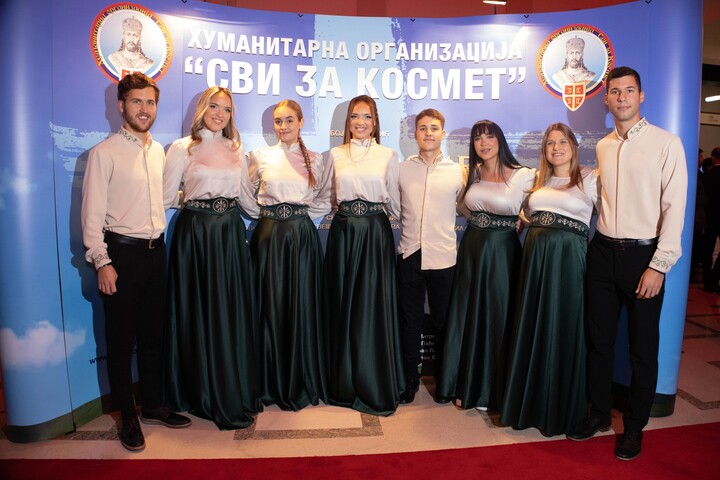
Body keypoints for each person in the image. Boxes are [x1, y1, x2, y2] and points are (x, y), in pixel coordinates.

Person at [567, 66, 688, 461]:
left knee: (642, 348)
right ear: (606, 99)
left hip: (643, 256)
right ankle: (599, 414)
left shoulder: (666, 143)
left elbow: (675, 209)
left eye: (629, 90)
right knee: (598, 342)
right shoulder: (603, 146)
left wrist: (659, 265)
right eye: (615, 92)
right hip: (602, 252)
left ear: (641, 95)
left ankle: (634, 428)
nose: (622, 98)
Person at [81, 72, 191, 452]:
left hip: (156, 251)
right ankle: (127, 416)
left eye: (150, 102)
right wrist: (102, 262)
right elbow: (91, 216)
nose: (145, 109)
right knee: (120, 338)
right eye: (137, 102)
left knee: (153, 335)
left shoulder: (157, 151)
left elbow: (162, 199)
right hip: (121, 255)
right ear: (121, 105)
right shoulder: (104, 153)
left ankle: (153, 405)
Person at [163, 86, 261, 430]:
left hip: (229, 234)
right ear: (202, 108)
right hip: (196, 236)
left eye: (227, 109)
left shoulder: (236, 149)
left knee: (229, 310)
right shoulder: (181, 148)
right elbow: (166, 196)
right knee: (198, 309)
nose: (220, 114)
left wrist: (282, 214)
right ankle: (200, 390)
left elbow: (246, 200)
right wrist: (196, 203)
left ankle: (232, 386)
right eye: (214, 106)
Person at [500, 123, 599, 436]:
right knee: (533, 325)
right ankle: (527, 404)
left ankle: (560, 409)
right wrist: (519, 220)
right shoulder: (536, 181)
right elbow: (515, 208)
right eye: (550, 143)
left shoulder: (590, 178)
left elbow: (613, 217)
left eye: (562, 142)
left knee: (563, 326)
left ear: (573, 146)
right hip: (535, 262)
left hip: (569, 262)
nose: (556, 148)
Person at [436, 120, 535, 411]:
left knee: (497, 317)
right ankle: (463, 384)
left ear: (500, 140)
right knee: (467, 316)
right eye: (478, 138)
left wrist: (520, 220)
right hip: (473, 248)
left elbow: (539, 206)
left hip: (502, 253)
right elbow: (463, 206)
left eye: (489, 137)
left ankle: (489, 391)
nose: (484, 143)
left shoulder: (523, 175)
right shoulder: (474, 173)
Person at [320, 95, 405, 415]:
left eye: (367, 116)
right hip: (343, 232)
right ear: (348, 122)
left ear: (375, 121)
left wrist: (414, 237)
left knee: (371, 307)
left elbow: (396, 203)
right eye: (355, 116)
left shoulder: (388, 155)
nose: (360, 122)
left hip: (374, 234)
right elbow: (323, 198)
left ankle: (373, 381)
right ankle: (343, 383)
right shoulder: (335, 155)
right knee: (343, 304)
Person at [247, 100, 330, 410]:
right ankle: (268, 382)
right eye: (278, 121)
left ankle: (300, 379)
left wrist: (300, 219)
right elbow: (245, 192)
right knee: (268, 307)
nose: (283, 127)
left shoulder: (316, 159)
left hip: (301, 239)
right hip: (268, 237)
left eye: (289, 120)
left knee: (301, 306)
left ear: (301, 122)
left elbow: (325, 198)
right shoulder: (260, 156)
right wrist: (266, 216)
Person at [396, 109, 465, 404]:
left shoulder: (457, 172)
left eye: (434, 128)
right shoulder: (402, 169)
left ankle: (446, 382)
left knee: (443, 322)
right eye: (423, 128)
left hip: (444, 257)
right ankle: (409, 381)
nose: (428, 133)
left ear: (443, 133)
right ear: (415, 134)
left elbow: (466, 206)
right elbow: (392, 204)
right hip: (410, 253)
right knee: (409, 321)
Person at [702, 147, 720, 292]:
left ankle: (707, 281)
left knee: (707, 249)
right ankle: (715, 276)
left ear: (713, 158)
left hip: (709, 217)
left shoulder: (707, 176)